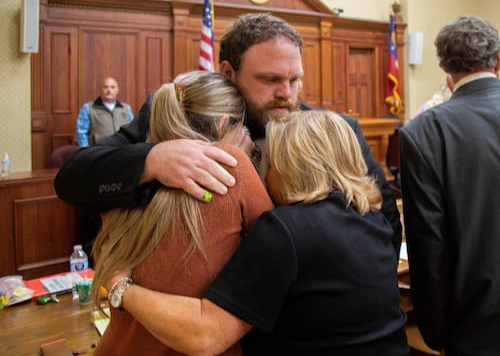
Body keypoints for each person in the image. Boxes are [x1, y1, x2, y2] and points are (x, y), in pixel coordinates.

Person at [106, 110, 433, 356]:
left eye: (270, 164)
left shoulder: (286, 232)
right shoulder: (369, 216)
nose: (266, 175)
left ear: (293, 167)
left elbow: (205, 336)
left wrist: (120, 285)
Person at [54, 13, 401, 254]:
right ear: (227, 72)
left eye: (295, 79)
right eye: (270, 79)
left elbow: (385, 224)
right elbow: (72, 178)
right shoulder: (179, 113)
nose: (287, 93)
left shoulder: (337, 132)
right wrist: (153, 160)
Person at [80, 71, 273, 356]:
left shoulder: (130, 174)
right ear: (222, 124)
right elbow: (279, 251)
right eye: (242, 126)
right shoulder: (233, 164)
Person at [399, 15, 500, 356]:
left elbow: (429, 243)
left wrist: (435, 331)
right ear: (497, 62)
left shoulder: (424, 132)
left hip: (478, 334)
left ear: (446, 70)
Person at [75, 76, 134, 147]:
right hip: (99, 152)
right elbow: (81, 133)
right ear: (100, 90)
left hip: (123, 150)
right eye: (105, 87)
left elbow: (132, 130)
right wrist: (86, 152)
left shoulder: (126, 108)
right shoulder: (88, 108)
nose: (109, 90)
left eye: (112, 87)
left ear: (117, 90)